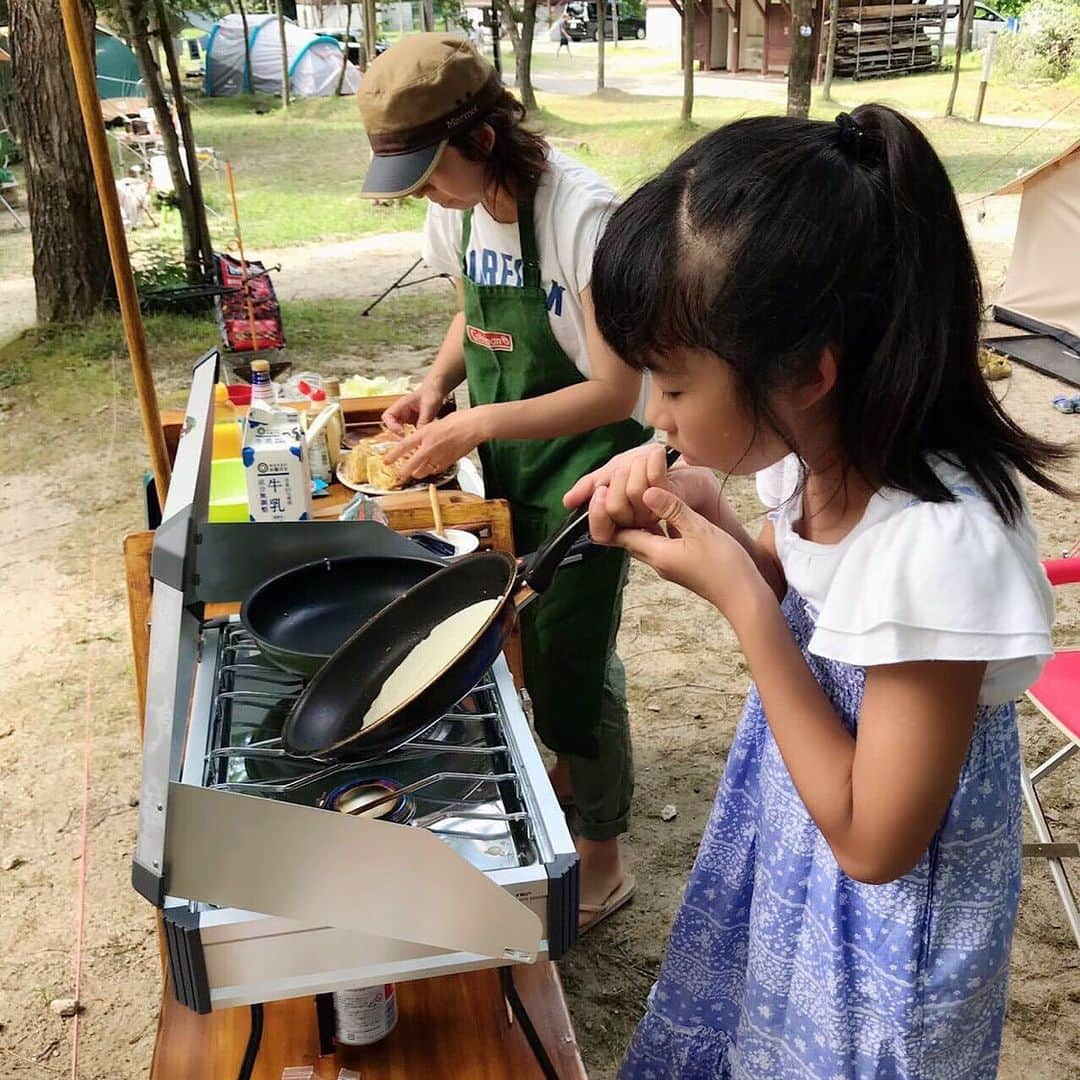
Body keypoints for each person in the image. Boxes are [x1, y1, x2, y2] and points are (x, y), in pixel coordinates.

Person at [565, 105, 1071, 1076]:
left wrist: (742, 605)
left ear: (805, 372)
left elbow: (875, 842)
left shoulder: (938, 548)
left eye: (671, 386)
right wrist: (707, 509)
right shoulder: (823, 448)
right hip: (808, 838)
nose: (652, 414)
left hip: (887, 924)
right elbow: (803, 576)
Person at [355, 34, 650, 929]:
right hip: (508, 475)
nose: (420, 192)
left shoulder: (581, 217)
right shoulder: (457, 208)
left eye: (426, 170)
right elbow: (467, 310)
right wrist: (435, 387)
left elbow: (619, 386)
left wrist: (477, 423)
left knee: (573, 661)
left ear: (481, 138)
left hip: (590, 471)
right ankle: (561, 775)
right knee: (526, 639)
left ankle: (604, 859)